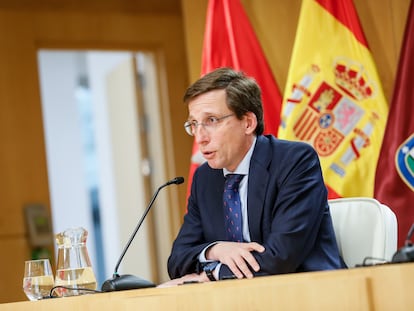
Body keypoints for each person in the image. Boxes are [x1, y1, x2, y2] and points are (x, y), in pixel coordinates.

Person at [162, 67, 345, 286]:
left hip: (311, 294)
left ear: (248, 123)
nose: (200, 137)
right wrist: (216, 250)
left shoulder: (294, 161)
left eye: (211, 120)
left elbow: (281, 257)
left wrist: (212, 274)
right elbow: (178, 260)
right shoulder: (205, 178)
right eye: (194, 124)